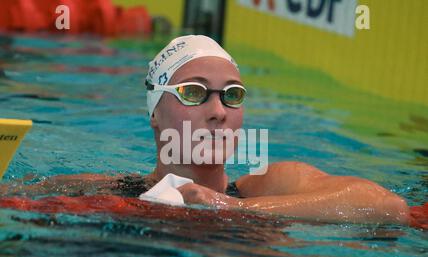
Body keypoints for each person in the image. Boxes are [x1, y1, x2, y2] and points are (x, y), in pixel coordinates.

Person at [0, 35, 410, 225]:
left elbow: (388, 207)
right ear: (154, 114)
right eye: (194, 93)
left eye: (232, 95)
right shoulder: (97, 189)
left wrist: (229, 209)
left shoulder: (269, 185)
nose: (218, 111)